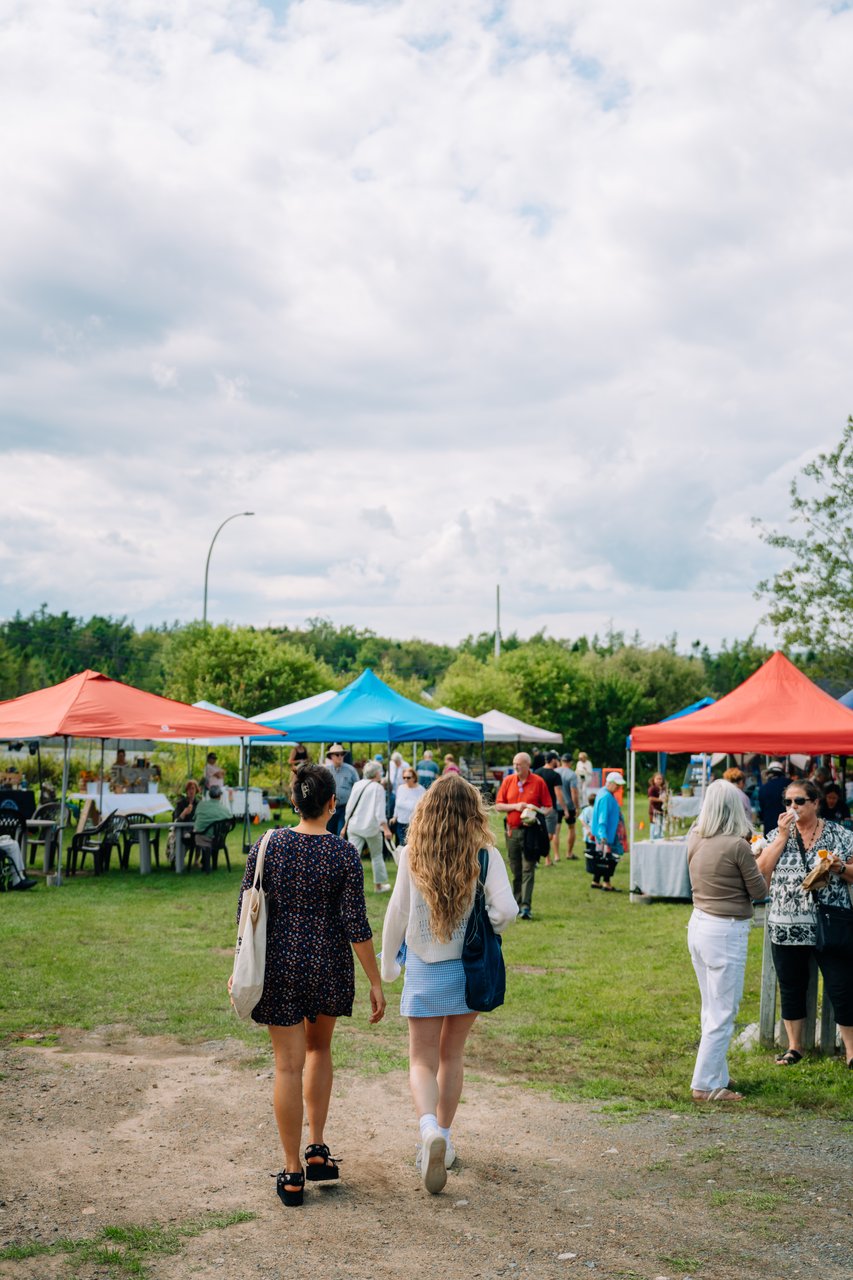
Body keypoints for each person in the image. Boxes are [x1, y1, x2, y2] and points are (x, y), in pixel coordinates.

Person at [232, 764, 385, 1208]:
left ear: (294, 802)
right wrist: (375, 982)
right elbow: (356, 924)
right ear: (332, 804)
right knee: (319, 1051)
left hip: (278, 966)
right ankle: (317, 1147)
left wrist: (239, 961)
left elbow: (247, 904)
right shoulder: (343, 854)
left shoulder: (269, 844)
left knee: (287, 1067)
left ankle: (292, 1170)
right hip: (326, 965)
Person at [380, 774, 516, 1194]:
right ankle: (445, 1135)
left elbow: (397, 915)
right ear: (472, 812)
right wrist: (486, 925)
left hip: (423, 967)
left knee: (421, 1059)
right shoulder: (486, 855)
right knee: (451, 1056)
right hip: (468, 969)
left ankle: (426, 1131)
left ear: (427, 811)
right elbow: (507, 910)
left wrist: (387, 968)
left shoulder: (411, 855)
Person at [755, 778, 853, 1067]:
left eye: (799, 801)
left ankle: (850, 1052)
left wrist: (840, 867)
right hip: (786, 925)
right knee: (791, 985)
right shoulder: (775, 835)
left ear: (815, 803)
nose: (792, 807)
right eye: (788, 802)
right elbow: (761, 870)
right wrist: (782, 838)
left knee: (842, 986)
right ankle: (795, 1047)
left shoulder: (840, 835)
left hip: (829, 924)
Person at [686, 780, 768, 1102]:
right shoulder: (737, 845)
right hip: (725, 929)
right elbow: (760, 892)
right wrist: (761, 858)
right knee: (723, 1011)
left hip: (699, 923)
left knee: (711, 1006)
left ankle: (716, 1073)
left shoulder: (695, 837)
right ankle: (705, 1085)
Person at [495, 752, 552, 919]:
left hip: (530, 832)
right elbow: (498, 806)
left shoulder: (538, 782)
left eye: (519, 764)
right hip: (512, 831)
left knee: (528, 868)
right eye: (514, 764)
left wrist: (536, 813)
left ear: (528, 765)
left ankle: (526, 906)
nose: (516, 767)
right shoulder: (508, 781)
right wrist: (516, 806)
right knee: (515, 870)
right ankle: (515, 904)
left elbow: (548, 807)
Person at [342, 760, 393, 892]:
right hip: (371, 828)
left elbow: (349, 807)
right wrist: (386, 829)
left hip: (354, 825)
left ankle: (347, 886)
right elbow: (379, 812)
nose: (381, 773)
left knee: (353, 857)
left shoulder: (358, 784)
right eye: (380, 771)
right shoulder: (378, 788)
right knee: (376, 856)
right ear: (376, 773)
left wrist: (346, 824)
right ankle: (378, 886)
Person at [590, 772, 627, 891]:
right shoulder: (606, 797)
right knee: (609, 858)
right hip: (606, 833)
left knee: (601, 857)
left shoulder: (603, 792)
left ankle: (596, 880)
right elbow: (603, 816)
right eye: (616, 785)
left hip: (605, 832)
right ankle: (606, 882)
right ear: (610, 783)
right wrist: (603, 835)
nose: (618, 787)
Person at [534, 752, 564, 865]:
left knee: (544, 832)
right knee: (549, 834)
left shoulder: (537, 773)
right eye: (557, 760)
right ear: (553, 760)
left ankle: (547, 859)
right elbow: (558, 793)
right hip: (550, 807)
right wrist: (564, 808)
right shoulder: (555, 775)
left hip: (537, 808)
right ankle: (539, 855)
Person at [192, 784, 232, 869]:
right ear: (220, 796)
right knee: (213, 834)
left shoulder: (201, 805)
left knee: (202, 833)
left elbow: (194, 818)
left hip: (201, 837)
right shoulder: (224, 809)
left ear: (209, 795)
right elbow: (231, 820)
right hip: (218, 840)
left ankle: (204, 862)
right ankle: (211, 864)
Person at [325, 744, 359, 837]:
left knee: (341, 833)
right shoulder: (326, 771)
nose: (340, 757)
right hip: (330, 807)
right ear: (331, 756)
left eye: (342, 754)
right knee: (328, 832)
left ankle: (340, 851)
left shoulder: (351, 770)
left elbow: (358, 788)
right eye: (337, 754)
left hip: (345, 807)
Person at [391, 767, 426, 848]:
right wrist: (394, 816)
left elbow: (423, 807)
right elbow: (397, 803)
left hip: (414, 822)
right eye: (404, 777)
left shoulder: (421, 790)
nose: (406, 779)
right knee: (403, 844)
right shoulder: (400, 788)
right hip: (401, 821)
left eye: (408, 777)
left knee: (412, 844)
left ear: (414, 778)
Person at [758, 761, 789, 837]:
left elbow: (761, 811)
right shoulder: (790, 783)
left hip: (769, 827)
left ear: (769, 774)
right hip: (788, 824)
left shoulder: (763, 788)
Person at [558, 754, 580, 859]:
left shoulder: (555, 772)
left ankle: (556, 855)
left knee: (556, 830)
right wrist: (577, 807)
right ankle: (569, 853)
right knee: (571, 828)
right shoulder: (572, 774)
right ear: (571, 762)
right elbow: (574, 792)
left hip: (556, 805)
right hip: (569, 804)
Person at [580, 791, 597, 873]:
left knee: (588, 850)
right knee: (594, 850)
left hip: (587, 834)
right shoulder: (597, 810)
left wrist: (586, 828)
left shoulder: (586, 809)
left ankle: (589, 865)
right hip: (594, 834)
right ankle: (592, 865)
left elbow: (582, 819)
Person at [647, 771, 668, 837]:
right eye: (657, 779)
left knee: (660, 825)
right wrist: (660, 799)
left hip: (661, 810)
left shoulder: (663, 788)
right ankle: (652, 838)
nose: (659, 780)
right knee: (654, 825)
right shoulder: (652, 788)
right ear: (654, 779)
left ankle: (660, 838)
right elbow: (650, 798)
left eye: (660, 779)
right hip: (654, 811)